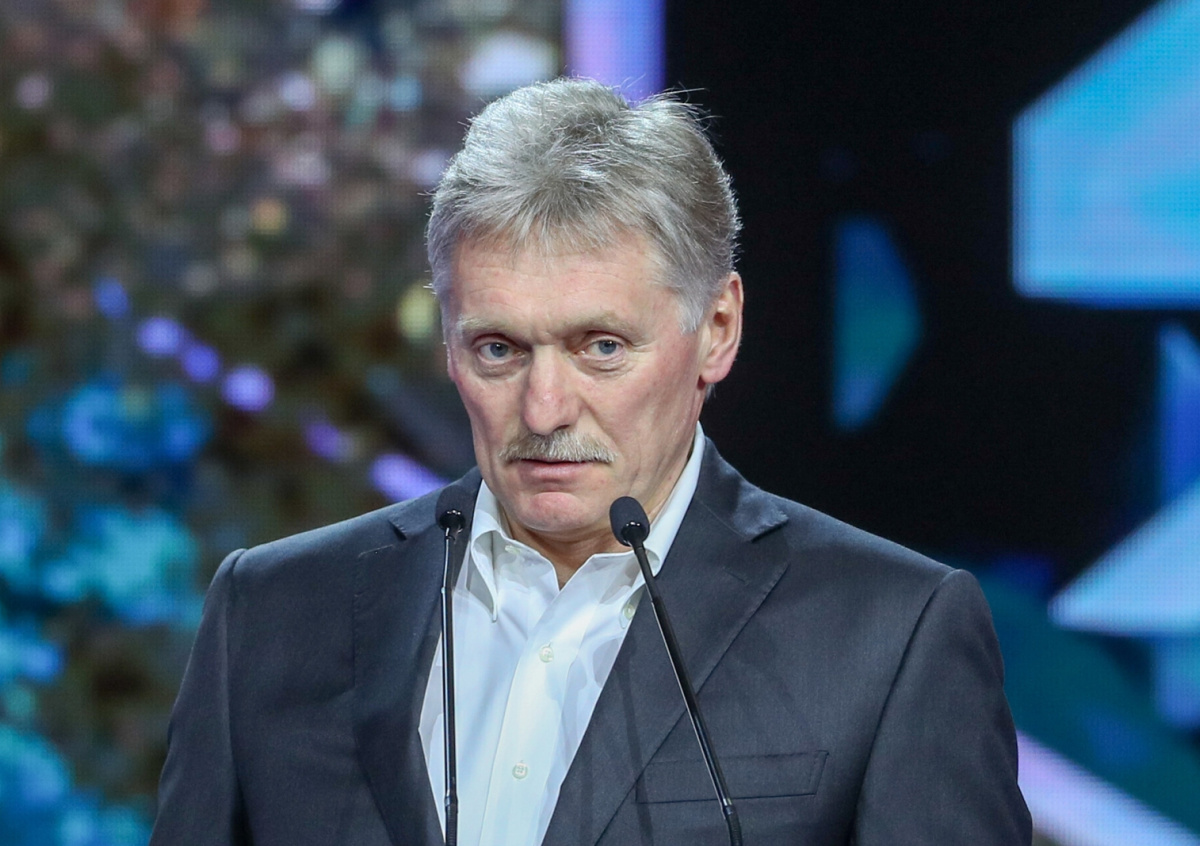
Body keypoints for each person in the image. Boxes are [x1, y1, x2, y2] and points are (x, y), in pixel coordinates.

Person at [150, 78, 1031, 845]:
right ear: (450, 343)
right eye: (498, 349)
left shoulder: (890, 635)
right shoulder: (272, 612)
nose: (544, 410)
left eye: (601, 347)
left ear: (717, 329)